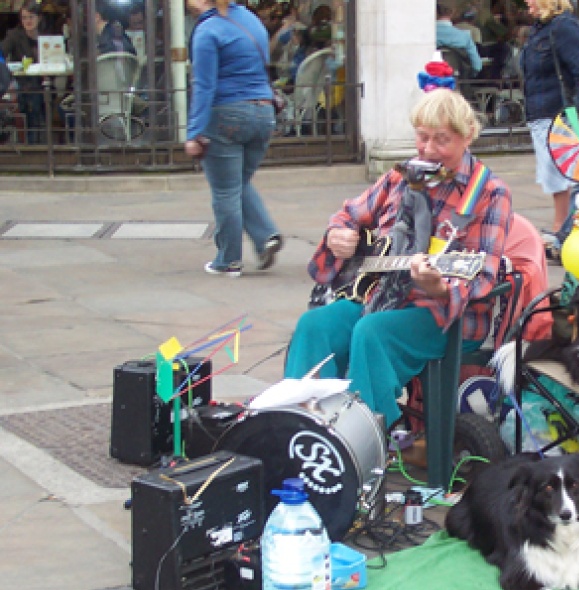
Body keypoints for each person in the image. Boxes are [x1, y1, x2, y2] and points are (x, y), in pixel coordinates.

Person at [285, 88, 513, 428]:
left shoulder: (489, 194)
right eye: (423, 138)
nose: (430, 149)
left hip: (447, 315)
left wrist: (437, 286)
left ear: (467, 137)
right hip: (383, 297)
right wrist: (339, 235)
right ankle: (301, 424)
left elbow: (482, 276)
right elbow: (350, 213)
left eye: (442, 140)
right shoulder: (401, 178)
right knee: (315, 325)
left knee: (372, 332)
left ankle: (363, 438)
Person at [184, 0, 283, 277]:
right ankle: (265, 237)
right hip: (263, 113)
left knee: (226, 190)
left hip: (226, 115)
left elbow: (204, 86)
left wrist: (194, 132)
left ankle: (228, 260)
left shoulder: (208, 31)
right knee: (238, 182)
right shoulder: (251, 20)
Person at [521, 0, 579, 249]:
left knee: (563, 174)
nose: (527, 2)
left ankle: (564, 228)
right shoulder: (540, 28)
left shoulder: (564, 27)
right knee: (552, 174)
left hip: (559, 112)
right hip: (541, 112)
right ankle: (562, 227)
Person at [1, 1, 44, 145]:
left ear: (39, 18)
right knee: (32, 98)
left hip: (43, 81)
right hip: (22, 83)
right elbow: (1, 53)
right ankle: (32, 144)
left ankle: (35, 141)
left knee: (37, 97)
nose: (27, 21)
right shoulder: (14, 35)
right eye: (24, 17)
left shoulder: (46, 36)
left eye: (31, 17)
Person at [436, 3, 483, 77]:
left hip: (430, 80)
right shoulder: (464, 36)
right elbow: (477, 66)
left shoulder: (426, 36)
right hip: (458, 80)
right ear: (452, 13)